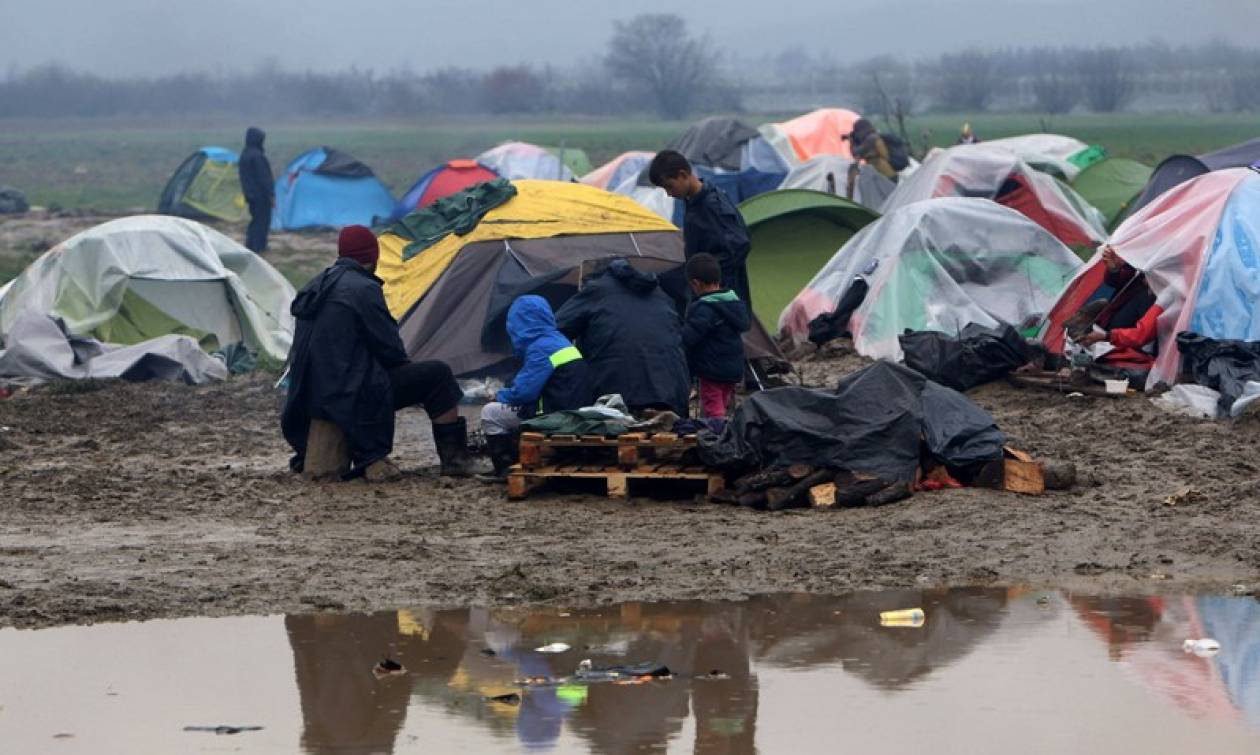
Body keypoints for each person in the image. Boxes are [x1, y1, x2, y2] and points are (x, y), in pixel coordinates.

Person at [280, 225, 485, 479]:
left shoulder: (315, 286)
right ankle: (456, 461)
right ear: (371, 257)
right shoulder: (363, 289)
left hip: (308, 395)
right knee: (438, 375)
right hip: (348, 394)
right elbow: (390, 350)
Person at [478, 295, 594, 482]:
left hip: (556, 414)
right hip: (571, 409)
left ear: (517, 323)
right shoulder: (558, 340)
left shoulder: (540, 348)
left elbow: (524, 393)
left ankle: (505, 469)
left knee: (490, 413)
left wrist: (499, 395)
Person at [555, 257, 690, 416]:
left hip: (613, 396)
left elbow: (554, 331)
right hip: (671, 394)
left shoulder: (596, 291)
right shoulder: (661, 295)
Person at [648, 150, 753, 317]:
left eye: (669, 186)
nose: (668, 193)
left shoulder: (713, 205)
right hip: (702, 294)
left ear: (682, 175)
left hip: (720, 301)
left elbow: (739, 246)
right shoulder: (692, 203)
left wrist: (708, 280)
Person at [681, 253, 749, 418]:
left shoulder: (704, 309)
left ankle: (717, 436)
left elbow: (689, 338)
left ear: (695, 283)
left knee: (713, 408)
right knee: (722, 403)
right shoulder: (734, 303)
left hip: (712, 370)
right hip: (732, 368)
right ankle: (725, 430)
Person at [1076, 245, 1161, 354]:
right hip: (1111, 327)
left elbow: (1142, 335)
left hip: (1129, 342)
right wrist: (1114, 269)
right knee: (1101, 304)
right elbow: (1117, 280)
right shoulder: (1140, 265)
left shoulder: (1164, 297)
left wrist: (1107, 336)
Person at [238, 126, 274, 253]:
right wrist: (271, 194)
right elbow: (264, 178)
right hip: (261, 196)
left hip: (250, 194)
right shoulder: (258, 156)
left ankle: (251, 244)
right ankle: (259, 246)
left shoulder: (245, 154)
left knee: (255, 219)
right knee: (262, 221)